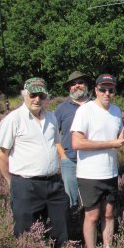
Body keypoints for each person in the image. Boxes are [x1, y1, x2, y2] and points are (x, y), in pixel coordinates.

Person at [0, 77, 69, 248]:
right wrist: (12, 182)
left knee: (61, 225)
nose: (37, 99)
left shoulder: (51, 118)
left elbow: (56, 144)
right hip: (25, 184)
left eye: (41, 96)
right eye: (33, 95)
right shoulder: (13, 119)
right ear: (25, 95)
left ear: (46, 97)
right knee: (24, 230)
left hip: (53, 183)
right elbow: (1, 155)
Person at [71, 73, 124, 248]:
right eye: (103, 89)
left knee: (109, 213)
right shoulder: (85, 111)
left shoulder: (115, 111)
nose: (107, 93)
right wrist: (111, 143)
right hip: (89, 174)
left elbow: (115, 138)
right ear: (95, 90)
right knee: (92, 216)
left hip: (110, 172)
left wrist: (122, 138)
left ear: (114, 92)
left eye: (111, 90)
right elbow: (77, 143)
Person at [55, 71, 93, 213]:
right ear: (69, 88)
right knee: (71, 200)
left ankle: (90, 230)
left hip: (92, 160)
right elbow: (53, 134)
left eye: (80, 82)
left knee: (91, 200)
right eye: (73, 84)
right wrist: (63, 156)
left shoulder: (96, 105)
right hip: (70, 161)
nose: (77, 86)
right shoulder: (61, 108)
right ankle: (72, 231)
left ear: (87, 85)